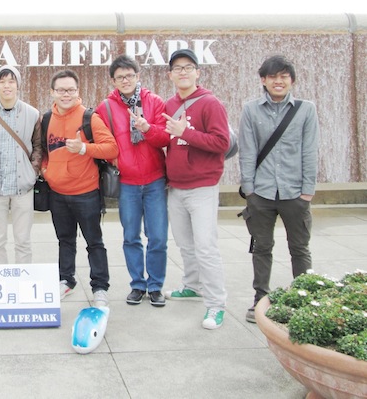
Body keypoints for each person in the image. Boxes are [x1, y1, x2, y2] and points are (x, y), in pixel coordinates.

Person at [239, 55, 319, 323]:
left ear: (292, 80)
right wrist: (249, 190)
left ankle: (305, 300)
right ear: (263, 80)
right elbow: (247, 152)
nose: (278, 81)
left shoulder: (306, 109)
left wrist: (307, 191)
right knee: (261, 248)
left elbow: (310, 152)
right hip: (260, 193)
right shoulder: (251, 110)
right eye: (273, 76)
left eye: (284, 76)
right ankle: (260, 299)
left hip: (295, 192)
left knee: (299, 248)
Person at [162, 49, 229, 330]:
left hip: (202, 187)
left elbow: (221, 143)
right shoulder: (168, 104)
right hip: (175, 187)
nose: (183, 72)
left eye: (188, 67)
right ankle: (192, 285)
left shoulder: (210, 103)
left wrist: (185, 133)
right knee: (185, 244)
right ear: (171, 75)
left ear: (198, 72)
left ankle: (216, 304)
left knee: (205, 247)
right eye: (178, 68)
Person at [95, 55, 170, 307]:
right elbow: (99, 140)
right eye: (119, 77)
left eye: (129, 75)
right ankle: (137, 284)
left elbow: (165, 140)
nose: (125, 80)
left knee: (158, 236)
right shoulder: (106, 107)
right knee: (131, 236)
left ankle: (156, 285)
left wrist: (147, 128)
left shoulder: (155, 102)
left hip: (155, 180)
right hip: (127, 182)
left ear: (138, 76)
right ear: (113, 80)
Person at [42, 69, 118, 308]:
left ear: (78, 92)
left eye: (71, 90)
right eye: (61, 90)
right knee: (64, 240)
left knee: (94, 241)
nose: (66, 94)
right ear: (52, 92)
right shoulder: (46, 119)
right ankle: (66, 279)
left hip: (86, 193)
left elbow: (112, 148)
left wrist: (85, 149)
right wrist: (46, 170)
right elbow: (44, 152)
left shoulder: (89, 118)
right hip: (57, 193)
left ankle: (100, 287)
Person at [0, 65, 42, 264]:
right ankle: (0, 285)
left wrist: (32, 173)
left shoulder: (32, 113)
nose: (6, 86)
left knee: (23, 241)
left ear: (18, 85)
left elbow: (38, 146)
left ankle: (23, 282)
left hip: (23, 188)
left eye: (11, 81)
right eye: (2, 81)